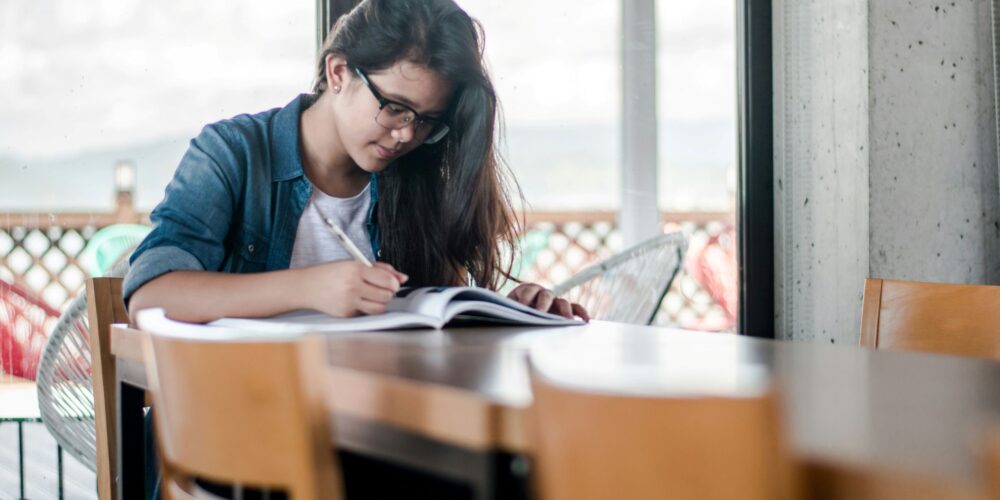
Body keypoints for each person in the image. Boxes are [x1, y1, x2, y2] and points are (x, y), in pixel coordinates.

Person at [124, 0, 589, 324]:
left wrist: (508, 311)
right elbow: (150, 297)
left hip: (369, 429)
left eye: (427, 120)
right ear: (339, 71)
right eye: (394, 107)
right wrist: (307, 289)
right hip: (232, 429)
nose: (407, 133)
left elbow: (437, 319)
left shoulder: (416, 177)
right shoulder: (233, 154)